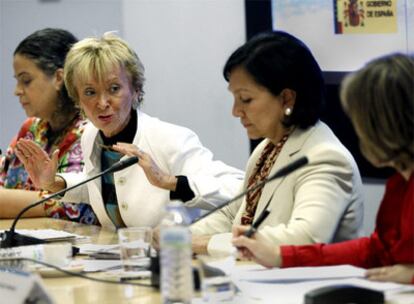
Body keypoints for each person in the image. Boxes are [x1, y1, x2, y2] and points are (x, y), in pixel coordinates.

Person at [15, 33, 244, 228]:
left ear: (135, 89)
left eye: (114, 89)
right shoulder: (92, 135)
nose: (102, 103)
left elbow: (238, 188)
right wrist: (54, 183)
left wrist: (169, 181)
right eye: (89, 92)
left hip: (176, 260)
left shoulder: (169, 138)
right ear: (78, 99)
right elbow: (102, 186)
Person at [232, 53, 414, 284]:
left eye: (361, 120)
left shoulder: (325, 154)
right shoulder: (400, 183)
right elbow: (377, 250)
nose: (358, 132)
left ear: (389, 123)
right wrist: (281, 256)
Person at [190, 31, 364, 257]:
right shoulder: (268, 148)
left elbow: (305, 239)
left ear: (287, 99)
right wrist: (179, 236)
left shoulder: (325, 157)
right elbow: (233, 216)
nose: (235, 111)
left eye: (246, 99)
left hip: (309, 289)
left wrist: (206, 244)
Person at [0, 28, 98, 224]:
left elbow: (77, 205)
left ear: (59, 78)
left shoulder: (92, 131)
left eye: (26, 80)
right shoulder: (30, 129)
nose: (17, 91)